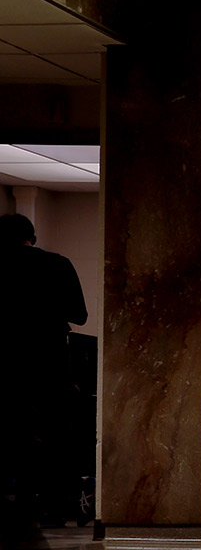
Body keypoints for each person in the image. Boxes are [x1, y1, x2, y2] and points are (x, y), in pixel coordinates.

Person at [0, 213, 87, 545]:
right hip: (49, 365)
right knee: (52, 437)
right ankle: (47, 505)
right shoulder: (57, 264)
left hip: (6, 367)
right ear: (33, 238)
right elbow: (79, 315)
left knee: (11, 435)